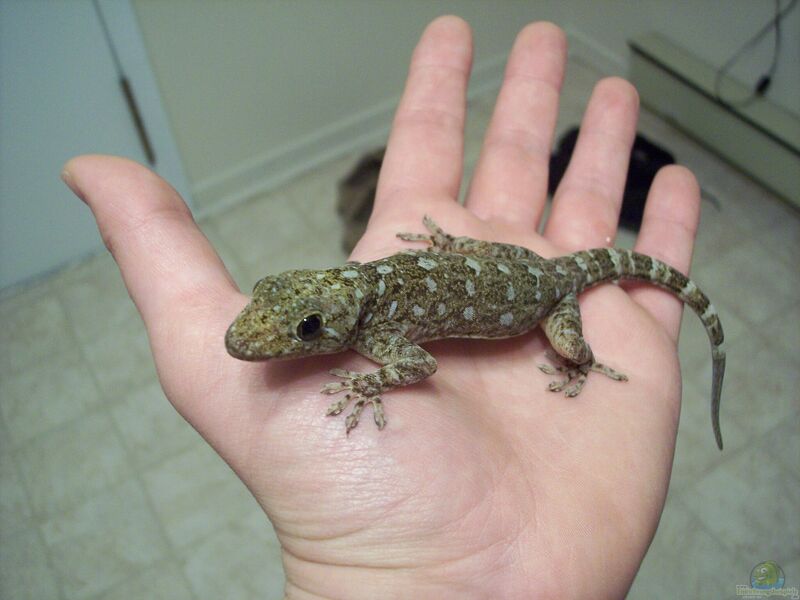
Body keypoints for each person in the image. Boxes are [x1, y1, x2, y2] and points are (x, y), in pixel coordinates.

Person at [62, 17, 701, 598]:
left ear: (334, 319)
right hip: (512, 262)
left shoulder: (377, 330)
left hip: (547, 288)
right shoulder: (358, 283)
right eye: (283, 312)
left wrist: (372, 384)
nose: (280, 341)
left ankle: (582, 365)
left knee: (566, 347)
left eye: (306, 330)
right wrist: (455, 254)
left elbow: (420, 367)